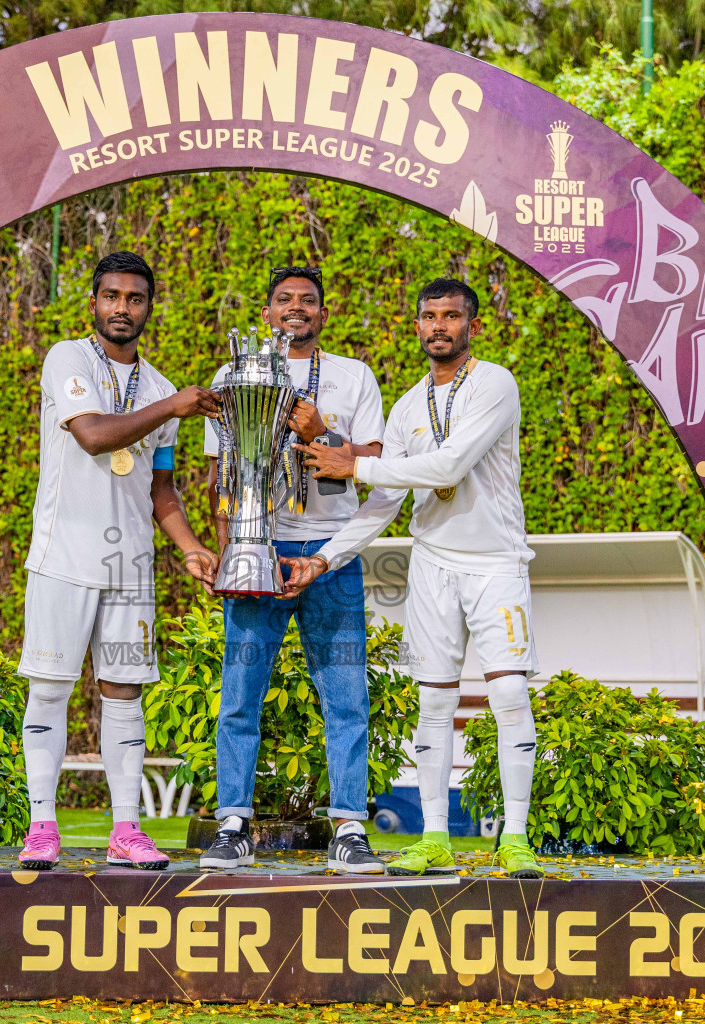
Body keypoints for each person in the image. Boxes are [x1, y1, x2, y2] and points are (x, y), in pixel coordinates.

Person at [289, 277, 544, 879]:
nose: (439, 326)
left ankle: (516, 838)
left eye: (451, 316)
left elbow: (451, 463)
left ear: (472, 327)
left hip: (495, 565)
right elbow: (381, 503)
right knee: (433, 701)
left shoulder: (495, 384)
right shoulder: (407, 407)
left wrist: (357, 460)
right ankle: (433, 839)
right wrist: (324, 558)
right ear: (417, 326)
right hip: (432, 564)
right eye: (429, 316)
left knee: (508, 694)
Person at [18, 250, 221, 871]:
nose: (122, 309)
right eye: (112, 297)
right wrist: (171, 408)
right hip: (62, 557)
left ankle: (126, 830)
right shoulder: (67, 359)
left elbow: (162, 489)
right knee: (50, 690)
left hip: (130, 567)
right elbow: (94, 434)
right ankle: (42, 825)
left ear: (148, 308)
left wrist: (189, 548)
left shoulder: (161, 390)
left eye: (135, 299)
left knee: (125, 694)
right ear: (94, 302)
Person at [197, 266, 388, 874]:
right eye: (284, 300)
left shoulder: (353, 376)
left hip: (330, 549)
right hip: (260, 542)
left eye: (308, 301)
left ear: (322, 314)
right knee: (240, 693)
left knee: (345, 693)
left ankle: (350, 827)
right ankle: (233, 825)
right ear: (266, 313)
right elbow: (218, 473)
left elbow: (378, 463)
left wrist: (324, 432)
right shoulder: (232, 376)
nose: (296, 309)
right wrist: (228, 550)